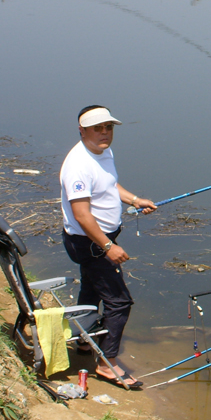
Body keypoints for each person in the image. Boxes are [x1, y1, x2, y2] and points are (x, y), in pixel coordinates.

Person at [60, 105, 156, 388]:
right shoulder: (78, 166)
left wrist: (134, 199)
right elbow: (81, 215)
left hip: (101, 239)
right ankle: (107, 363)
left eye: (108, 127)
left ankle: (84, 341)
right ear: (82, 131)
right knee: (119, 302)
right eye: (97, 128)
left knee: (91, 290)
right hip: (90, 243)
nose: (105, 133)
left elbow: (110, 184)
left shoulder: (103, 151)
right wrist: (107, 247)